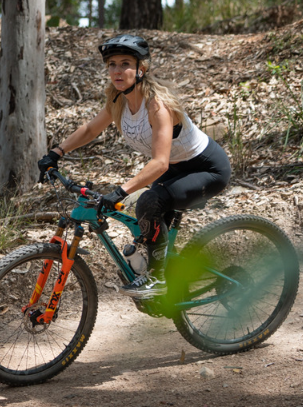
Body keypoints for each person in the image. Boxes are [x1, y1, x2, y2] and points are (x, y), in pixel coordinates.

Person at [36, 34, 231, 299]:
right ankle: (159, 271)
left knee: (148, 202)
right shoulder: (118, 100)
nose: (117, 71)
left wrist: (120, 191)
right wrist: (57, 152)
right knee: (143, 217)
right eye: (112, 64)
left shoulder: (157, 105)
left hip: (205, 168)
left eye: (125, 63)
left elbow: (160, 162)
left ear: (141, 68)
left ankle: (158, 279)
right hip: (173, 170)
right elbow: (91, 129)